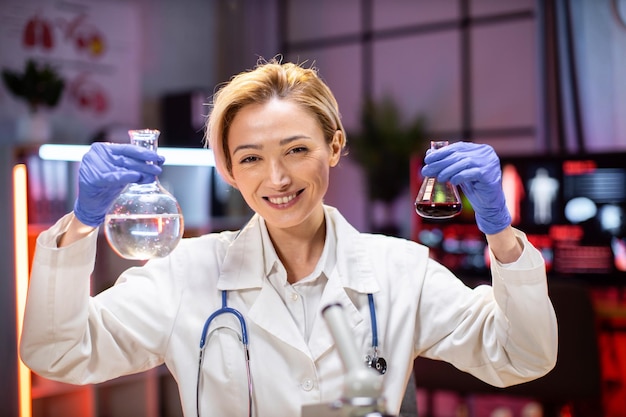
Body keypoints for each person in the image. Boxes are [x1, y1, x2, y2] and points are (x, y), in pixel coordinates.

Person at [20, 59, 558, 417]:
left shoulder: (402, 270)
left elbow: (523, 356)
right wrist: (83, 224)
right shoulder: (186, 272)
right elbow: (58, 352)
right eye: (250, 158)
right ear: (229, 170)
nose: (276, 179)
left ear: (335, 146)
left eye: (297, 150)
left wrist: (500, 233)